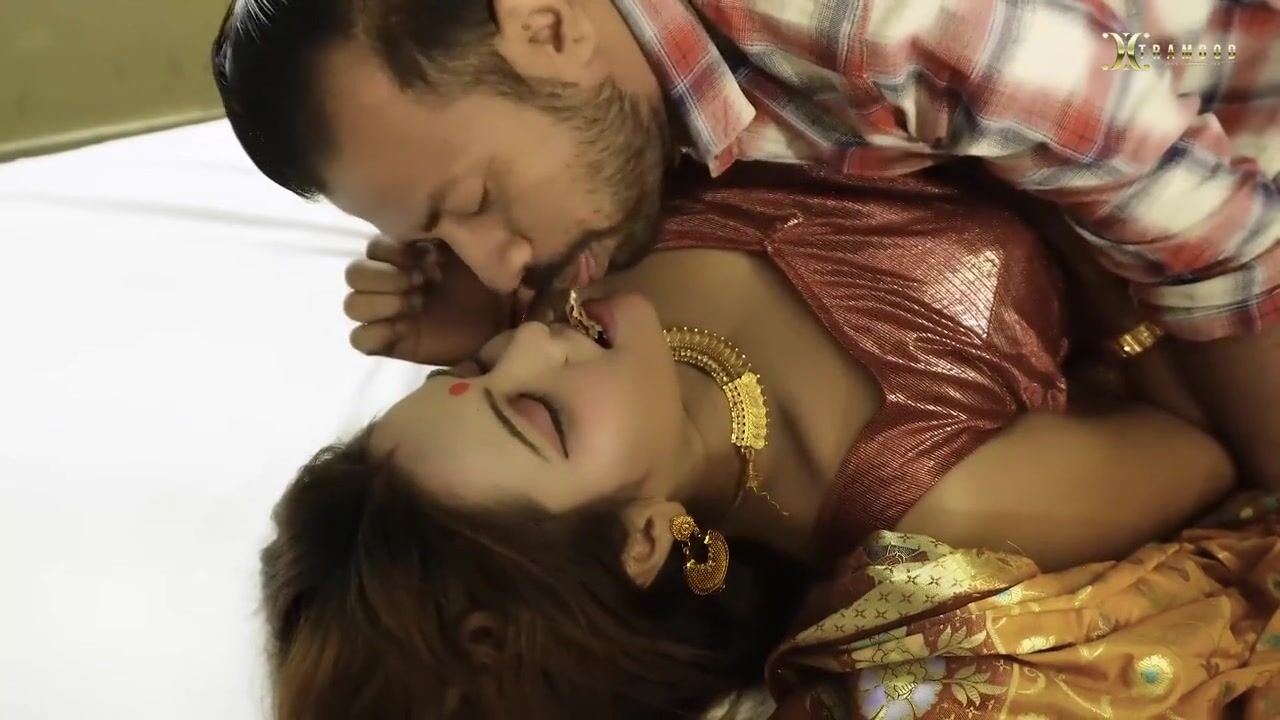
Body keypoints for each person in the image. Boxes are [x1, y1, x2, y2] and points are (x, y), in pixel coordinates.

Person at [260, 162, 1250, 720]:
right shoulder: (934, 490)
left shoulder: (552, 268)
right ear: (644, 538)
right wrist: (1072, 177)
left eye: (470, 371)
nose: (529, 347)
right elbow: (1207, 432)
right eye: (532, 415)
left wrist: (490, 285)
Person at [211, 0, 1280, 487]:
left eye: (477, 198)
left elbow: (1227, 249)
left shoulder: (894, 24)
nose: (494, 258)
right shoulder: (605, 108)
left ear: (545, 26)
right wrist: (495, 312)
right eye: (434, 233)